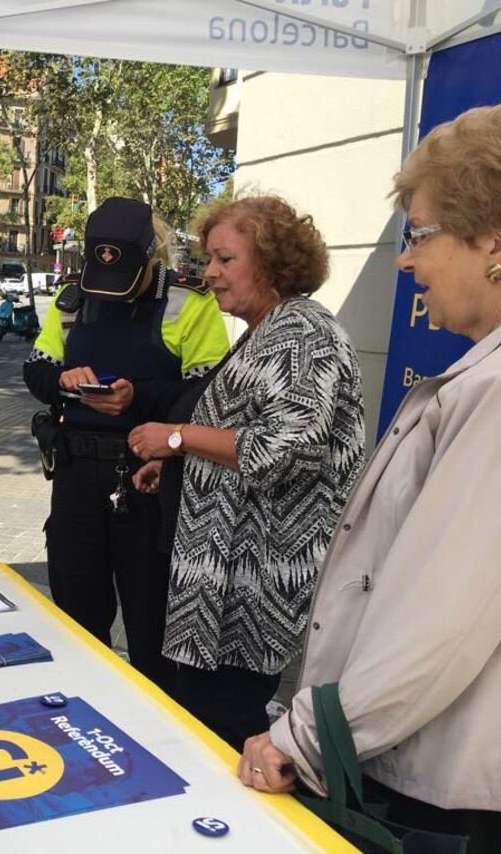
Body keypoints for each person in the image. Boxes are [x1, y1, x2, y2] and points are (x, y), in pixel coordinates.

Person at [238, 105, 501, 851]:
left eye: (417, 235)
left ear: (491, 240)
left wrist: (308, 739)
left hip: (438, 792)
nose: (404, 260)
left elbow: (439, 622)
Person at [128, 194, 365, 750]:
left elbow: (278, 449)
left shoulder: (303, 334)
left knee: (228, 724)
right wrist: (181, 467)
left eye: (225, 259)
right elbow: (245, 436)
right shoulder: (267, 331)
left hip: (252, 588)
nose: (209, 273)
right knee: (205, 716)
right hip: (221, 587)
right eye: (209, 259)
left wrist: (177, 436)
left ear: (273, 263)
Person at [23, 197, 229, 691]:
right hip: (75, 478)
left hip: (147, 481)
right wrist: (64, 381)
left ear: (151, 256)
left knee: (150, 623)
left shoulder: (189, 301)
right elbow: (36, 368)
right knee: (75, 614)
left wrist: (138, 397)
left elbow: (210, 393)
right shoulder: (73, 298)